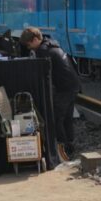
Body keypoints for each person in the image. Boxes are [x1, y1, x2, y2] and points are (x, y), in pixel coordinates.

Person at [19, 27, 81, 160]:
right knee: (67, 117)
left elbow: (43, 74)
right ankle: (70, 144)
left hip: (64, 87)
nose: (30, 49)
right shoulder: (51, 44)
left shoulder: (43, 51)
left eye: (29, 45)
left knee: (57, 117)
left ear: (35, 40)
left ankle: (63, 149)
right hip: (73, 84)